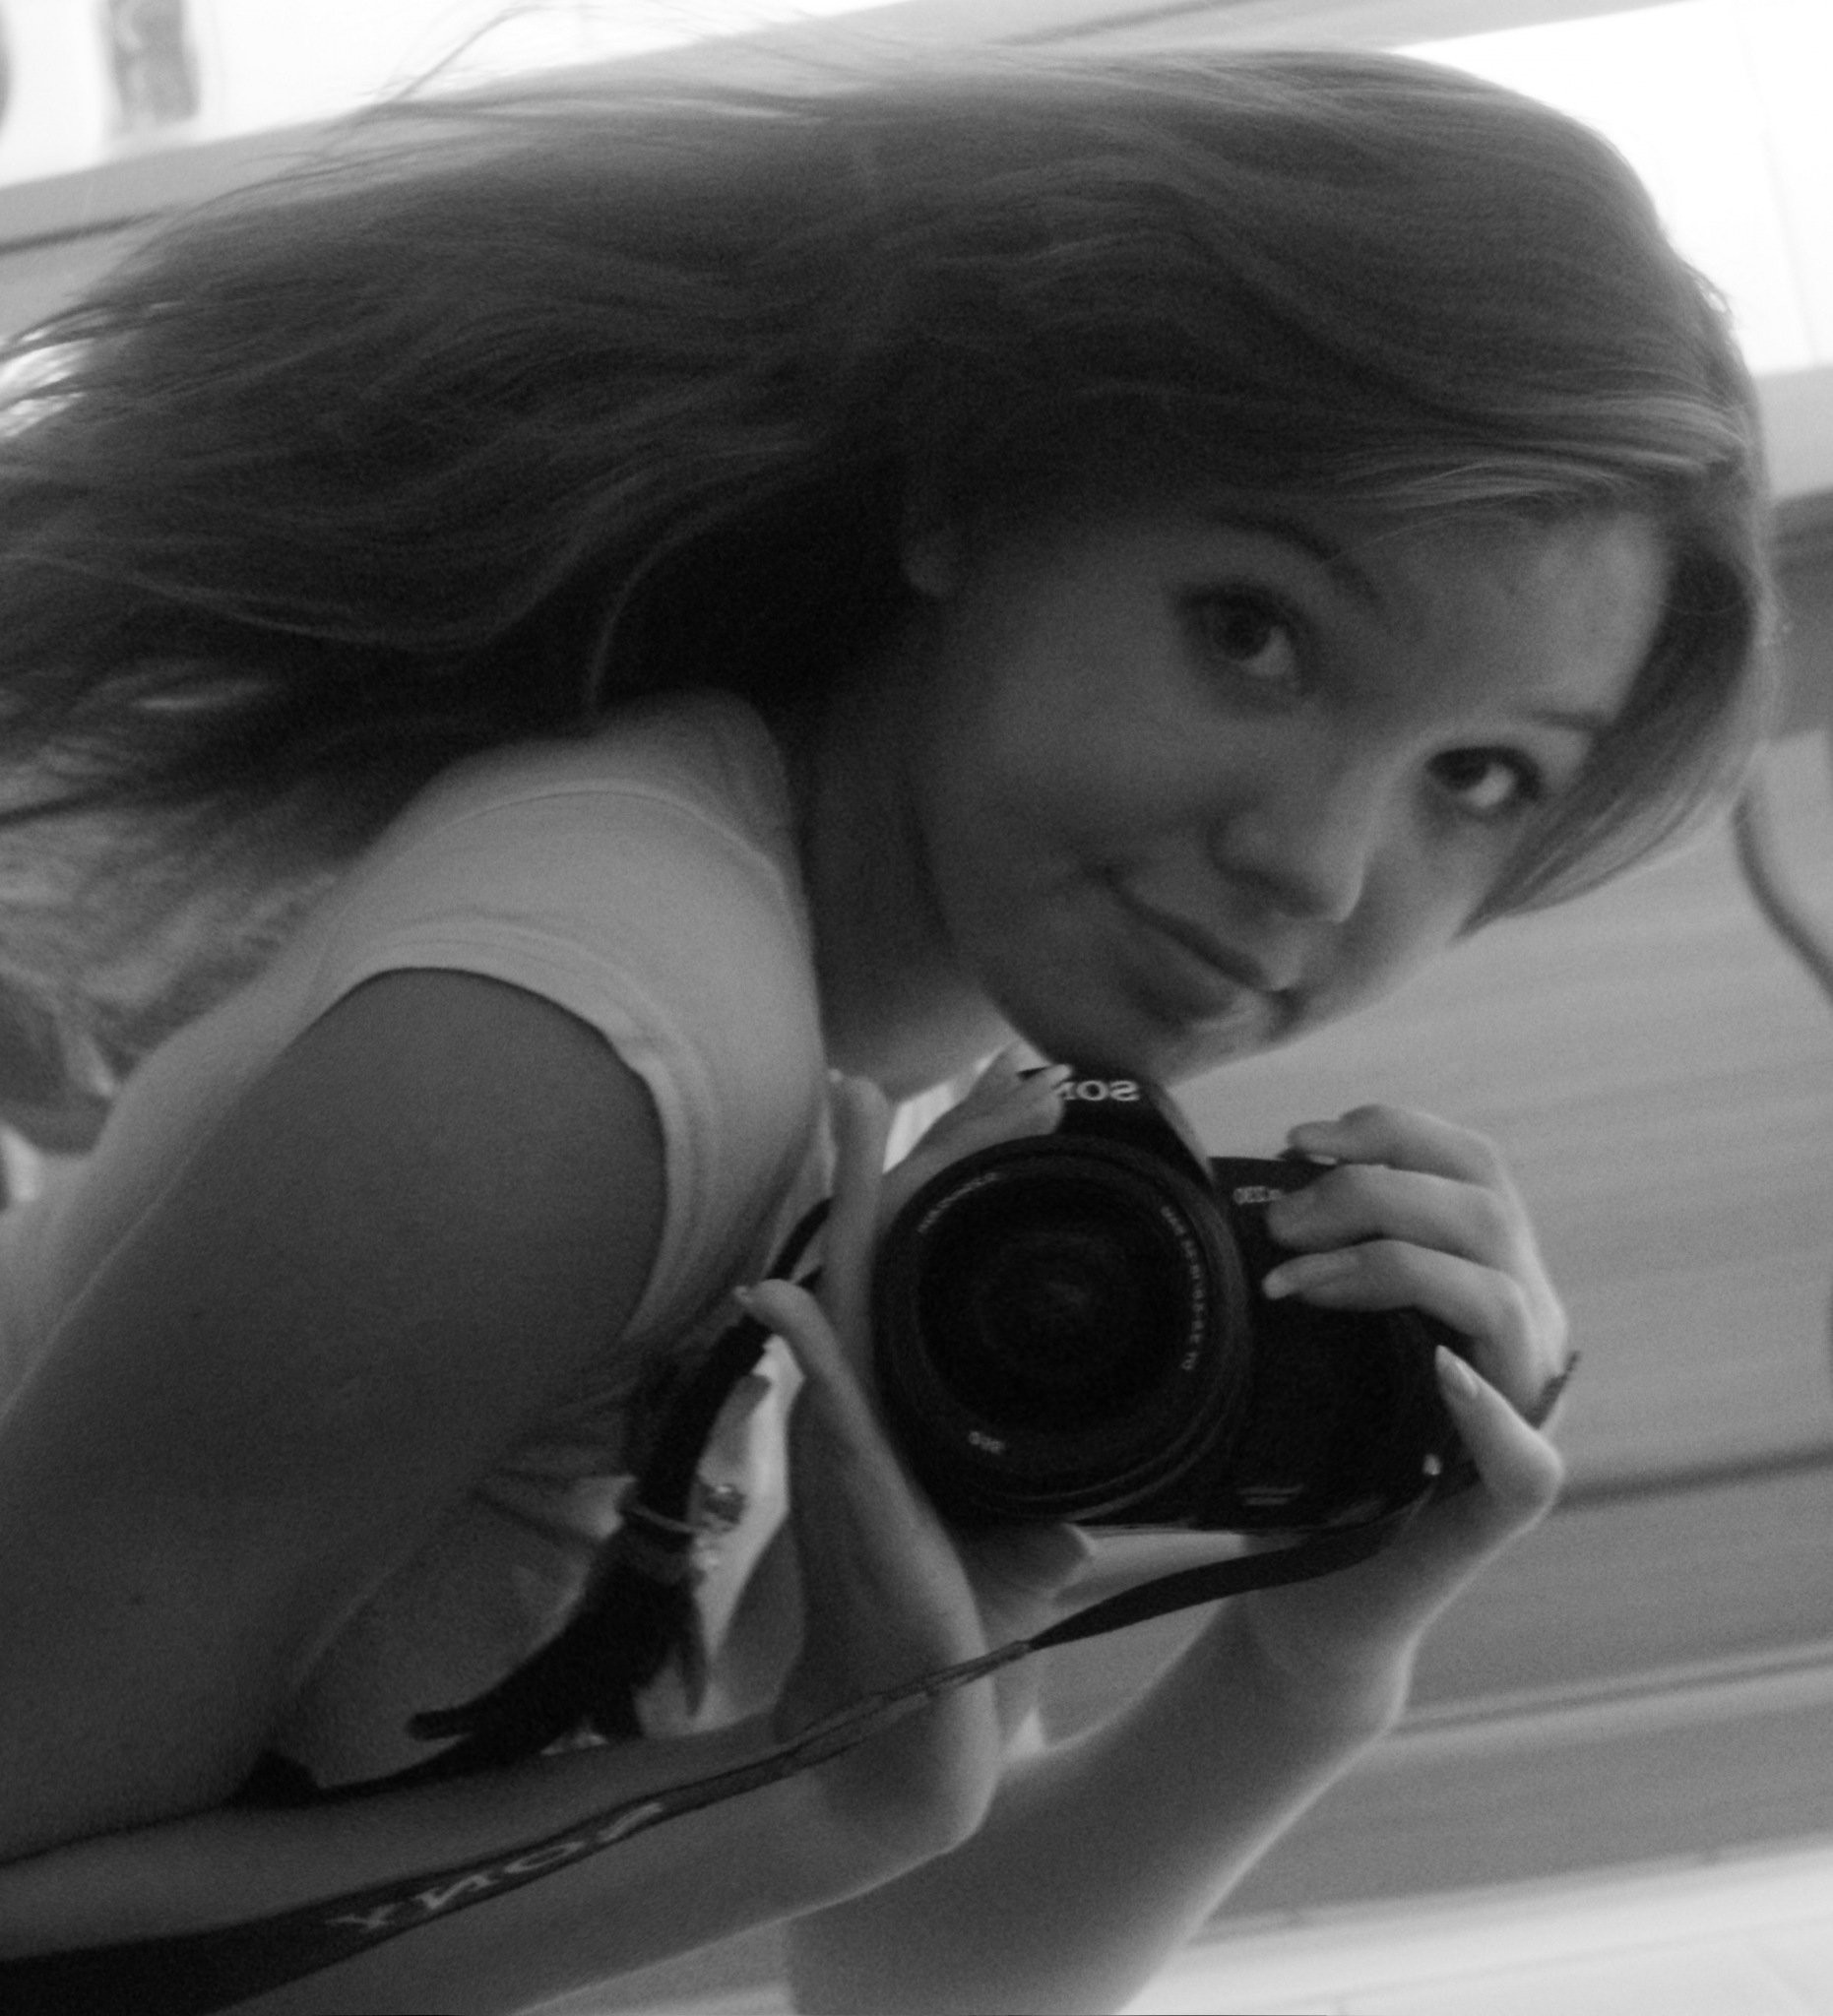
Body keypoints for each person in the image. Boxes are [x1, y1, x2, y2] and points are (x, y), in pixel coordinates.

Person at [0, 41, 1772, 2016]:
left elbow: (910, 1972)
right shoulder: (587, 1060)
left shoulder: (892, 1082)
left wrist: (1304, 1659)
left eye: (1477, 776)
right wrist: (820, 1794)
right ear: (974, 491)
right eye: (1252, 632)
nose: (1318, 865)